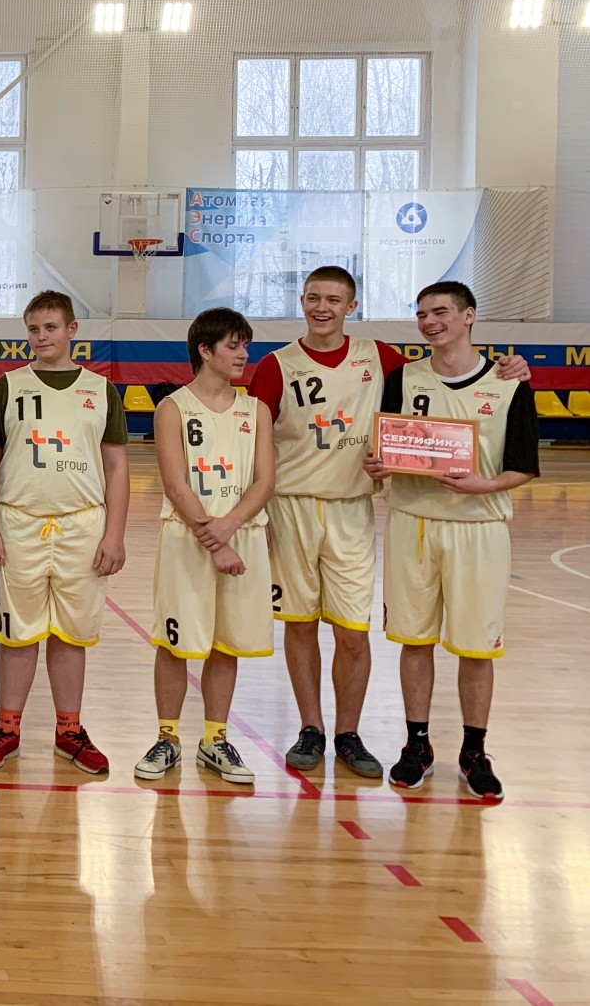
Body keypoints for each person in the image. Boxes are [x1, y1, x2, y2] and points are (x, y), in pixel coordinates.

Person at [247, 267, 531, 779]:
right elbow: (253, 441)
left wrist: (513, 366)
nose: (322, 307)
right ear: (302, 301)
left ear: (351, 306)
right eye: (313, 298)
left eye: (334, 299)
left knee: (354, 632)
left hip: (354, 508)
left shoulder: (382, 360)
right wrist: (258, 512)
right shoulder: (275, 365)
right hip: (291, 507)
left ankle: (349, 733)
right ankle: (310, 727)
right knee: (299, 624)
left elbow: (445, 375)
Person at [363, 282, 538, 803]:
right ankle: (417, 744)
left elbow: (524, 466)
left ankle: (474, 751)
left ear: (469, 316)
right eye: (421, 314)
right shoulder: (403, 378)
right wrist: (377, 462)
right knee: (414, 639)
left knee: (476, 646)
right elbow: (385, 445)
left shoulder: (509, 382)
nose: (430, 322)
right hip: (412, 523)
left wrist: (484, 485)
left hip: (478, 528)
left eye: (440, 311)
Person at [0, 291, 129, 776]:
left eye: (51, 328)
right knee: (17, 634)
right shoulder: (8, 386)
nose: (41, 337)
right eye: (34, 329)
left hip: (83, 525)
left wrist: (115, 534)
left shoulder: (101, 390)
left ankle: (69, 730)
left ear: (72, 330)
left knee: (71, 634)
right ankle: (7, 728)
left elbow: (117, 467)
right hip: (19, 522)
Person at [136, 307, 274, 786]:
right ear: (205, 350)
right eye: (234, 345)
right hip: (188, 538)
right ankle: (167, 738)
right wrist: (213, 540)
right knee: (175, 643)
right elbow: (175, 484)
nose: (243, 354)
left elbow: (265, 481)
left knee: (226, 642)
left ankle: (214, 739)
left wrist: (229, 528)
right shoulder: (172, 408)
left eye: (245, 345)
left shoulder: (256, 410)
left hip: (242, 537)